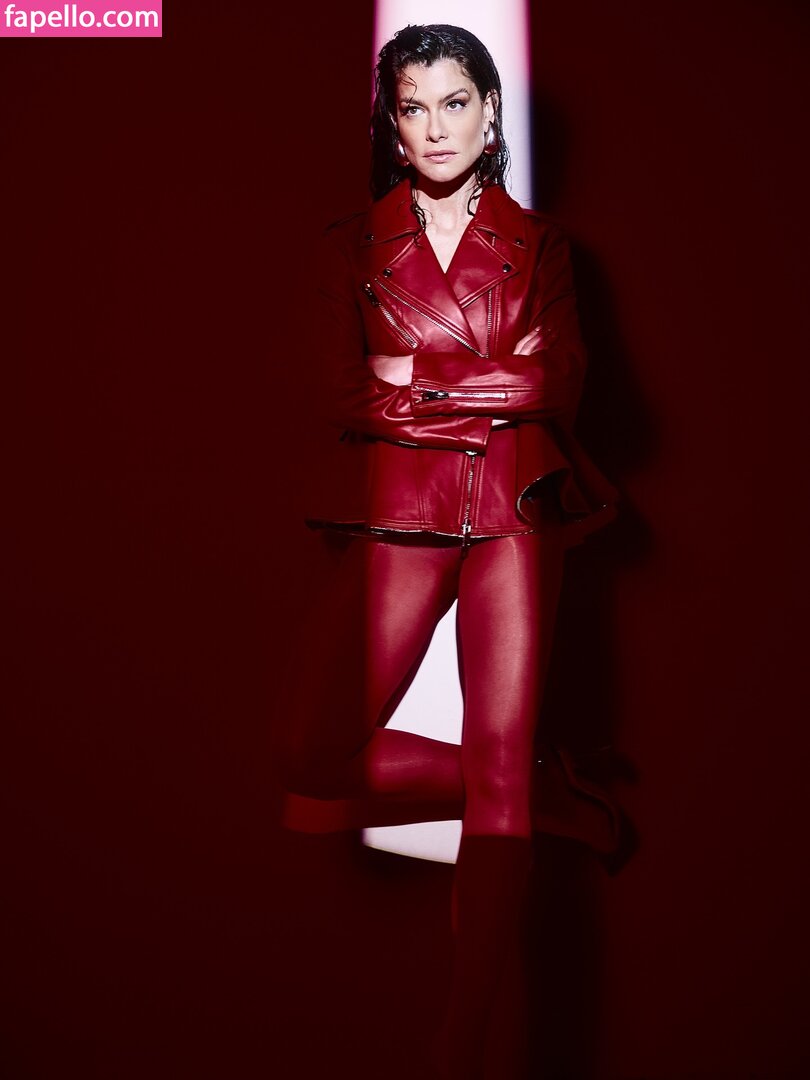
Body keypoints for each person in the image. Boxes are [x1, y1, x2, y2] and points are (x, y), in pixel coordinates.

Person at [274, 23, 630, 1079]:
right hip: (402, 507)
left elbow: (558, 383)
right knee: (306, 758)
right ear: (392, 122)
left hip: (521, 502)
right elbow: (341, 392)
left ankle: (461, 1045)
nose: (435, 127)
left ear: (489, 110)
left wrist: (414, 377)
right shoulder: (349, 245)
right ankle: (545, 792)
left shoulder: (542, 247)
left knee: (500, 775)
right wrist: (486, 382)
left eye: (455, 102)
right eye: (414, 106)